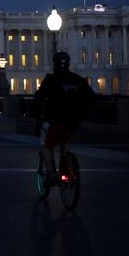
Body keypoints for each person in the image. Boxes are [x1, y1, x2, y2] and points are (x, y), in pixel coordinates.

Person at [30, 51, 95, 186]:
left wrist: (31, 110)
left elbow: (39, 97)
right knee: (65, 140)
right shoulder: (77, 79)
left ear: (54, 64)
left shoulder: (51, 79)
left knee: (45, 145)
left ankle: (52, 174)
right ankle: (67, 167)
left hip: (54, 119)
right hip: (73, 120)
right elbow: (91, 96)